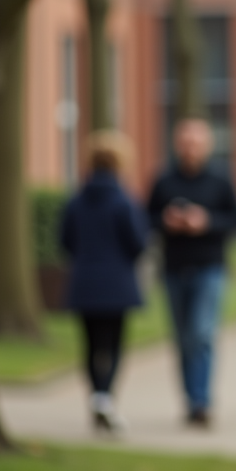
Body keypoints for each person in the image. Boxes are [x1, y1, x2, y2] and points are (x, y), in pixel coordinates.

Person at [147, 118, 236, 428]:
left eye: (196, 144)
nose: (190, 149)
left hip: (210, 267)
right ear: (177, 145)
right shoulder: (163, 180)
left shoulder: (221, 179)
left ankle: (201, 402)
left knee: (201, 334)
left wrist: (207, 222)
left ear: (206, 147)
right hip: (174, 268)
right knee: (182, 339)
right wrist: (167, 221)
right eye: (185, 143)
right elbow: (146, 218)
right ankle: (189, 400)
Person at [59, 131, 148, 433]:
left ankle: (96, 397)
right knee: (114, 344)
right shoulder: (124, 201)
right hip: (117, 283)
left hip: (84, 281)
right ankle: (106, 397)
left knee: (90, 343)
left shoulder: (76, 200)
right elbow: (138, 242)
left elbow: (66, 241)